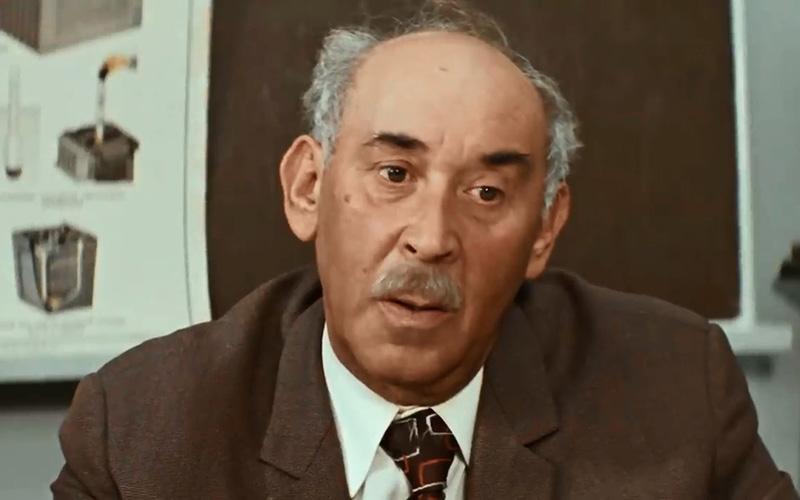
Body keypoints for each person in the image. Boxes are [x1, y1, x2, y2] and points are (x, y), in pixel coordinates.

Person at [52, 2, 799, 499]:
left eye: (487, 193)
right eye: (395, 175)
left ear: (544, 228)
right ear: (308, 187)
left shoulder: (678, 396)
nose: (433, 238)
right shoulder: (145, 434)